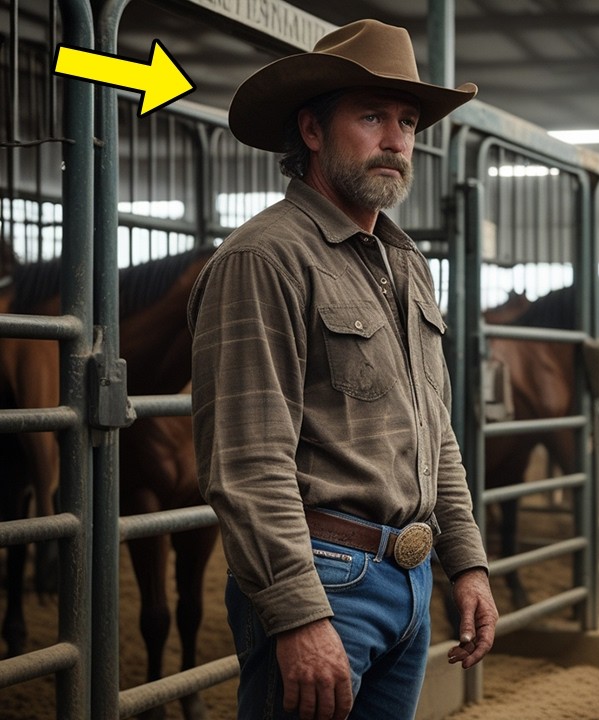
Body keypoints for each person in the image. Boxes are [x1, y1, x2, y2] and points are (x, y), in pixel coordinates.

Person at [188, 19, 497, 720]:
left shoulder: (406, 264)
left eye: (408, 121)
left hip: (409, 580)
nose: (395, 140)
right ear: (313, 131)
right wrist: (297, 614)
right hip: (327, 580)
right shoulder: (264, 258)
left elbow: (434, 432)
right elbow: (247, 460)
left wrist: (467, 562)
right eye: (370, 116)